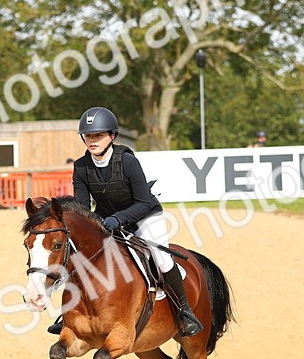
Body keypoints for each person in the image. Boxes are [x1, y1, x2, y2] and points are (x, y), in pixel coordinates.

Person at [46, 106, 202, 337]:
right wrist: (91, 225)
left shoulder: (128, 162)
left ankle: (184, 311)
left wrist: (118, 218)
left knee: (160, 258)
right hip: (107, 220)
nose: (92, 140)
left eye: (98, 135)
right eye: (88, 136)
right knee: (79, 255)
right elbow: (82, 208)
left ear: (112, 136)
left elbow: (144, 202)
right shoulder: (81, 166)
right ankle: (70, 313)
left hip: (144, 216)